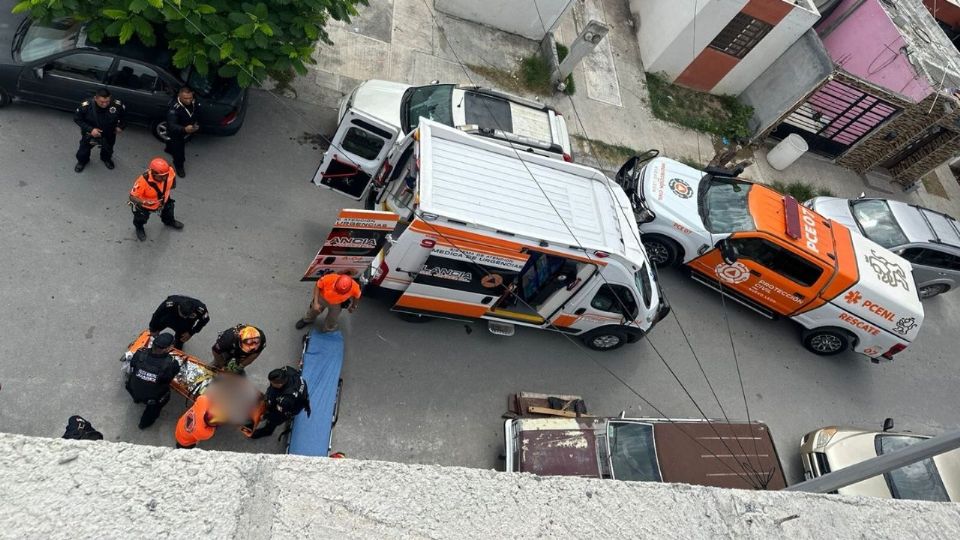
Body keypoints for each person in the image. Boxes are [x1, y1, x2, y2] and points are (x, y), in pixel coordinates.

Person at [125, 332, 181, 429]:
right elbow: (168, 380)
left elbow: (133, 365)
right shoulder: (171, 364)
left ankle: (136, 400)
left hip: (132, 387)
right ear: (168, 348)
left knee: (139, 387)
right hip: (152, 398)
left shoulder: (140, 353)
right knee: (158, 404)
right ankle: (144, 423)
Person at [128, 157, 184, 241]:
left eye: (166, 176)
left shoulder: (169, 172)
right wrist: (144, 202)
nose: (164, 178)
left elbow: (173, 178)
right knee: (141, 217)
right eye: (161, 177)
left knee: (169, 209)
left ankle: (169, 221)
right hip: (146, 205)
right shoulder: (142, 181)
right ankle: (139, 227)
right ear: (153, 173)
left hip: (164, 199)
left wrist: (172, 185)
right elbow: (132, 197)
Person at [73, 88, 126, 173]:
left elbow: (124, 117)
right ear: (95, 98)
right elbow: (77, 119)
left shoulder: (117, 105)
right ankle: (82, 161)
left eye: (107, 101)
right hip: (91, 134)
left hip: (109, 133)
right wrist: (91, 129)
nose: (105, 104)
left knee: (108, 149)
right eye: (102, 102)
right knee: (83, 150)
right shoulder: (86, 106)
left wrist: (121, 126)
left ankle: (106, 159)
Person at [251, 367, 311, 439]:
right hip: (295, 397)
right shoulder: (288, 370)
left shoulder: (286, 399)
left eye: (272, 383)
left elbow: (277, 415)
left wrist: (265, 416)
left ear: (280, 384)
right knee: (271, 400)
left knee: (274, 420)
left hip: (290, 408)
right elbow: (273, 389)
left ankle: (267, 431)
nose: (271, 384)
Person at [295, 273, 361, 332]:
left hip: (337, 304)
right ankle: (307, 319)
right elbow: (318, 286)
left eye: (340, 292)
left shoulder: (355, 287)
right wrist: (315, 302)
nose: (337, 293)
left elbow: (357, 296)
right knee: (313, 310)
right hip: (323, 298)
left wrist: (353, 306)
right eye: (337, 290)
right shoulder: (329, 278)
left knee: (332, 318)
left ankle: (327, 329)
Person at [164, 86, 200, 178]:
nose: (188, 100)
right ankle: (179, 166)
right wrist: (184, 129)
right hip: (177, 131)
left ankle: (168, 148)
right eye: (185, 98)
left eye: (190, 98)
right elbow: (172, 125)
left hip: (189, 126)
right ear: (179, 95)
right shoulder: (174, 108)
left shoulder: (194, 99)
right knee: (179, 151)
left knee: (171, 143)